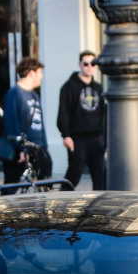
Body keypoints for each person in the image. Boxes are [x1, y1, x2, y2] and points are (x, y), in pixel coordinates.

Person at [57, 51, 106, 190]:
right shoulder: (69, 87)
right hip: (78, 138)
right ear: (80, 65)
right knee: (74, 174)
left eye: (93, 64)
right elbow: (63, 112)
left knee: (100, 177)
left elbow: (103, 112)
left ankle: (98, 207)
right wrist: (66, 135)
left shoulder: (98, 87)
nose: (89, 67)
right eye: (86, 64)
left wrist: (104, 138)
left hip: (97, 138)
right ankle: (61, 201)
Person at [0, 57, 51, 184]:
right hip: (20, 152)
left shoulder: (34, 95)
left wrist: (44, 146)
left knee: (42, 185)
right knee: (11, 187)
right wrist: (22, 149)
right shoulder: (14, 93)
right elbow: (11, 123)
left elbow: (41, 122)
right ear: (32, 73)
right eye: (40, 73)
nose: (42, 76)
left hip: (36, 149)